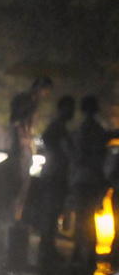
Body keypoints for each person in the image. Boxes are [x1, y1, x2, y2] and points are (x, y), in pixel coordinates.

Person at [69, 95, 115, 261]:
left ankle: (78, 252)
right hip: (94, 179)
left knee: (82, 217)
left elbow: (75, 156)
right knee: (89, 217)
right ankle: (88, 253)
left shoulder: (80, 131)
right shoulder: (98, 131)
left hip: (81, 179)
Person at [36, 96, 76, 261]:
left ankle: (47, 246)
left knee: (52, 212)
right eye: (70, 108)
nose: (72, 112)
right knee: (51, 212)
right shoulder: (58, 127)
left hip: (54, 174)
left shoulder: (59, 127)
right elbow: (48, 139)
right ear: (62, 109)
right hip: (54, 175)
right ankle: (47, 247)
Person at [9, 76, 53, 223]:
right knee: (19, 183)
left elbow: (32, 129)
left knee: (25, 184)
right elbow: (17, 121)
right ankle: (13, 217)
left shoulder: (34, 105)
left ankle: (17, 217)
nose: (45, 94)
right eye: (45, 90)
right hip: (20, 148)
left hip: (26, 146)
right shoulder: (25, 103)